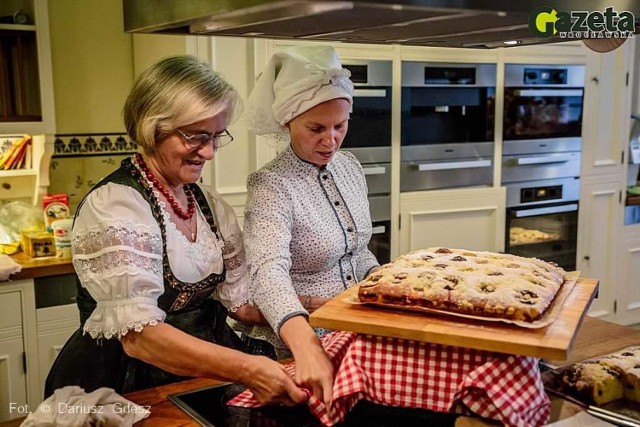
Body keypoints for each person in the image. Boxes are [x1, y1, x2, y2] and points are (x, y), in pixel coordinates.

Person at [44, 55, 306, 407]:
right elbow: (140, 338)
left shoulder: (207, 204)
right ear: (154, 127)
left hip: (197, 375)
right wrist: (251, 368)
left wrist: (322, 313)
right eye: (197, 136)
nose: (210, 152)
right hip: (123, 382)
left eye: (216, 136)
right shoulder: (116, 207)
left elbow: (242, 304)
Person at [240, 45, 381, 406]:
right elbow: (267, 272)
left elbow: (358, 249)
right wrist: (304, 342)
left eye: (340, 126)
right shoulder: (272, 185)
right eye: (316, 128)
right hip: (299, 343)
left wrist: (384, 284)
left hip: (356, 328)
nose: (330, 139)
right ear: (288, 122)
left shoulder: (350, 167)